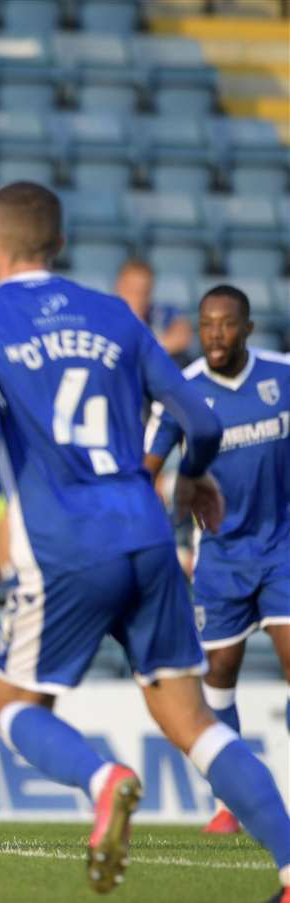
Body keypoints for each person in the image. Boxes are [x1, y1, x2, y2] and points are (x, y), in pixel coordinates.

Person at [0, 180, 290, 903]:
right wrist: (193, 480)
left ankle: (104, 782)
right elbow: (199, 420)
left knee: (15, 705)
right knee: (192, 722)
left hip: (63, 541)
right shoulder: (116, 316)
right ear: (59, 243)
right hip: (146, 534)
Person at [144, 284, 290, 836]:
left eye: (226, 324)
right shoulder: (182, 392)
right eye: (206, 324)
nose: (215, 335)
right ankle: (231, 801)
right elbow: (148, 465)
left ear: (247, 328)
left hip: (282, 546)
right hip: (222, 558)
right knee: (219, 676)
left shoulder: (282, 377)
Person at [114, 258, 194, 361]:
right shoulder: (105, 315)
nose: (138, 297)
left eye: (144, 291)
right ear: (118, 286)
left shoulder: (162, 313)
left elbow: (183, 336)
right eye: (132, 289)